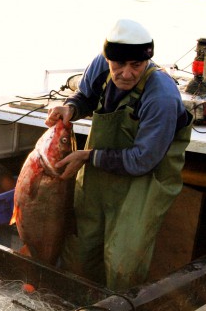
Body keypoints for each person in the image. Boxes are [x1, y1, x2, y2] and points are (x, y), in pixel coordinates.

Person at [45, 19, 193, 291]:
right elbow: (85, 97)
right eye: (118, 65)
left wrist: (87, 157)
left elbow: (142, 161)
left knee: (123, 262)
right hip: (98, 179)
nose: (126, 73)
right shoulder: (101, 65)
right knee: (81, 251)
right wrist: (70, 109)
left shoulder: (161, 95)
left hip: (144, 183)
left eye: (136, 65)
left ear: (146, 60)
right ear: (108, 58)